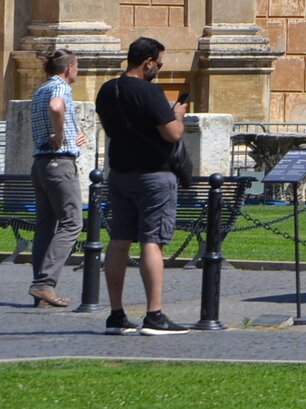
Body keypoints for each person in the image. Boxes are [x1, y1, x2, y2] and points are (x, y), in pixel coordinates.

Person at [94, 37, 189, 335]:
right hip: (153, 176)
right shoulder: (150, 92)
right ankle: (154, 314)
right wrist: (178, 115)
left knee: (119, 242)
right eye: (158, 64)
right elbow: (172, 134)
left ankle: (116, 314)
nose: (158, 70)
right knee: (152, 241)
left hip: (119, 172)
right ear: (147, 61)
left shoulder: (107, 90)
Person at [26, 49, 85, 308]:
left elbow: (52, 109)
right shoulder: (61, 88)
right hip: (59, 163)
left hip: (40, 164)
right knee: (72, 223)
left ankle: (41, 290)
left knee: (45, 226)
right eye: (77, 66)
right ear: (68, 68)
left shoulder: (40, 89)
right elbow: (56, 106)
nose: (78, 71)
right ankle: (45, 284)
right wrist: (61, 135)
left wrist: (73, 133)